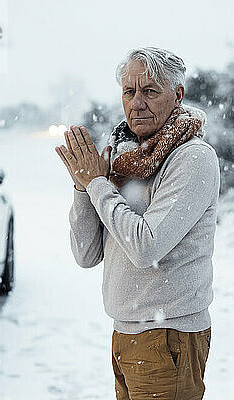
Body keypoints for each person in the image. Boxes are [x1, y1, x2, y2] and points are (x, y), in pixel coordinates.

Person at [55, 47, 220, 400]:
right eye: (129, 91)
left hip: (169, 336)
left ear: (177, 95)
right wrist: (83, 186)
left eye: (150, 91)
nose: (137, 102)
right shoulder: (125, 157)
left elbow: (145, 247)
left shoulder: (192, 159)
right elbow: (86, 254)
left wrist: (97, 184)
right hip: (124, 333)